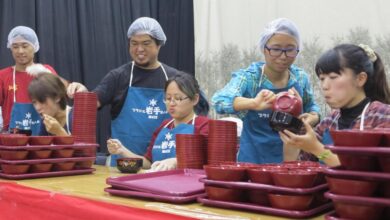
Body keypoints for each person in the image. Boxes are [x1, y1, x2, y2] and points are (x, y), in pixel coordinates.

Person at [67, 17, 180, 165]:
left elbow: (194, 117)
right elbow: (93, 101)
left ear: (159, 45)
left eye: (146, 43)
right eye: (134, 43)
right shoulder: (118, 77)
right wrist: (82, 92)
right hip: (123, 165)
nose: (139, 49)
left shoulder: (174, 78)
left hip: (163, 166)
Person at [211, 18, 320, 164]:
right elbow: (219, 101)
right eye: (276, 49)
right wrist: (253, 103)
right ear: (263, 48)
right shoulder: (250, 78)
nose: (283, 56)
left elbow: (312, 106)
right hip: (252, 161)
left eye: (290, 50)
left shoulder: (300, 77)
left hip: (290, 161)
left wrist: (313, 117)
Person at [279, 44, 390, 167]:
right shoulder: (329, 122)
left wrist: (317, 148)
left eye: (333, 77)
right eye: (322, 79)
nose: (325, 86)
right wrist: (292, 134)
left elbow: (366, 172)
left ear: (360, 79)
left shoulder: (382, 116)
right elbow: (297, 168)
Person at [107, 73, 209, 171]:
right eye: (168, 98)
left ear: (195, 99)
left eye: (178, 98)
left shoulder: (204, 125)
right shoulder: (164, 126)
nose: (171, 103)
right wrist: (122, 151)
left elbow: (206, 160)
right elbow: (148, 163)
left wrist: (176, 161)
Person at [0, 26, 61, 135]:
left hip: (43, 139)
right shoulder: (3, 76)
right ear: (10, 48)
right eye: (15, 46)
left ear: (34, 47)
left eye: (25, 46)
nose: (20, 51)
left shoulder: (46, 71)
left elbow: (59, 101)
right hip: (13, 140)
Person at [28, 70, 72, 136]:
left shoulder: (76, 116)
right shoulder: (44, 123)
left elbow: (85, 146)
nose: (37, 108)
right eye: (34, 102)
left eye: (42, 101)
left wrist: (59, 132)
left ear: (57, 97)